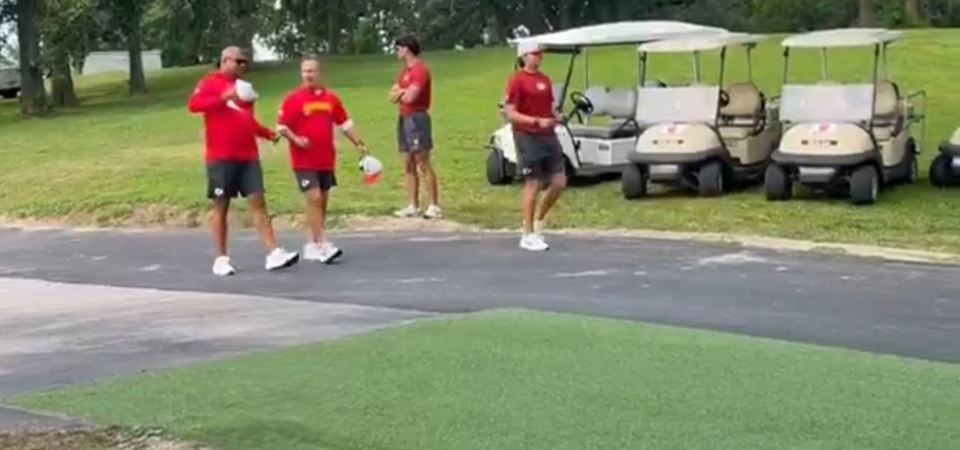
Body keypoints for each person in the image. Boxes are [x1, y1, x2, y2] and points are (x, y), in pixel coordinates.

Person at [187, 46, 299, 276]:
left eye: (244, 62)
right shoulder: (209, 83)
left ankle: (273, 253)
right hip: (221, 156)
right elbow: (194, 105)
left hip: (248, 155)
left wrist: (268, 134)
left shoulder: (244, 88)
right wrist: (222, 97)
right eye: (238, 61)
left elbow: (247, 121)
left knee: (258, 201)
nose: (242, 66)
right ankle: (220, 258)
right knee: (221, 205)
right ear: (225, 60)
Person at [277, 55, 371, 264]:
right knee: (315, 198)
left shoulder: (331, 99)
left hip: (326, 159)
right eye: (304, 71)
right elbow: (282, 126)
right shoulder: (293, 99)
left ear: (320, 73)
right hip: (303, 161)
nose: (308, 75)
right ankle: (322, 244)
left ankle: (311, 244)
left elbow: (345, 123)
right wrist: (296, 139)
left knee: (321, 202)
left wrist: (359, 143)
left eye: (312, 71)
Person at [503, 42, 568, 252]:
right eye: (535, 54)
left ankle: (539, 220)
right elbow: (511, 113)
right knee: (533, 183)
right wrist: (534, 121)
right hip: (527, 136)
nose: (539, 57)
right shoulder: (516, 81)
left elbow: (550, 107)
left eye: (541, 54)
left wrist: (557, 117)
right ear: (524, 56)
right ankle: (527, 234)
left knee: (559, 181)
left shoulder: (545, 80)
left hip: (548, 135)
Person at [389, 34, 442, 219]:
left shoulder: (420, 70)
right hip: (403, 117)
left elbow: (411, 97)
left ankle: (434, 205)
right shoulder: (404, 72)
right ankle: (413, 204)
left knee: (423, 161)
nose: (396, 51)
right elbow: (392, 96)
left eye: (398, 48)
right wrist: (403, 92)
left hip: (417, 118)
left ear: (407, 48)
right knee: (408, 162)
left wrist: (402, 92)